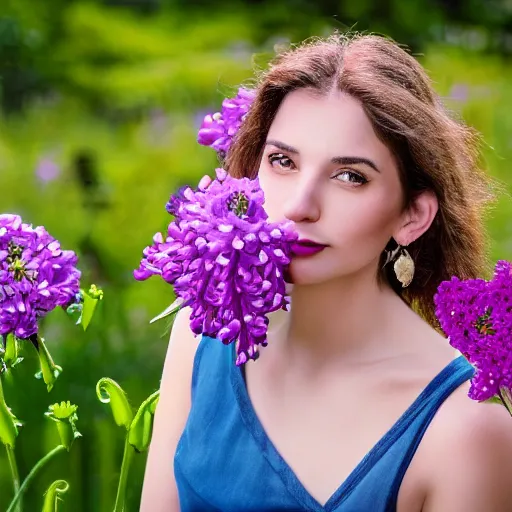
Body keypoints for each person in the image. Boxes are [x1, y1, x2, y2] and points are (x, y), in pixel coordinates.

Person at [140, 33, 512, 511]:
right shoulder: (203, 340)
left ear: (412, 215)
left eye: (349, 176)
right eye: (282, 161)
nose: (299, 206)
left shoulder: (468, 430)